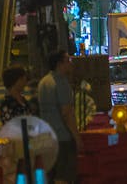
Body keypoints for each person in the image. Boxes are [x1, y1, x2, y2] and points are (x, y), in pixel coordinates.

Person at [38, 49, 82, 183]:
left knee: (51, 175)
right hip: (62, 137)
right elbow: (66, 113)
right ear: (59, 64)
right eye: (67, 61)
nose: (70, 64)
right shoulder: (61, 83)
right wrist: (77, 137)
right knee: (64, 177)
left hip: (46, 137)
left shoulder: (44, 82)